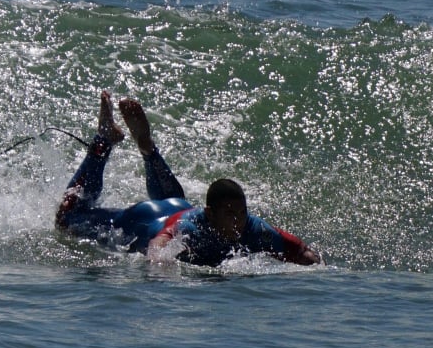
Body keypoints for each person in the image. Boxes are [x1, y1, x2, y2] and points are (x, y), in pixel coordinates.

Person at [55, 91, 322, 266]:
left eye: (241, 212)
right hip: (143, 219)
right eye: (229, 213)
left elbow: (299, 251)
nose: (237, 220)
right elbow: (158, 247)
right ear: (210, 214)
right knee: (66, 219)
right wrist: (161, 266)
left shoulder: (253, 228)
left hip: (176, 205)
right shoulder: (191, 228)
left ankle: (149, 150)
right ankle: (104, 140)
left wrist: (321, 270)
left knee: (176, 200)